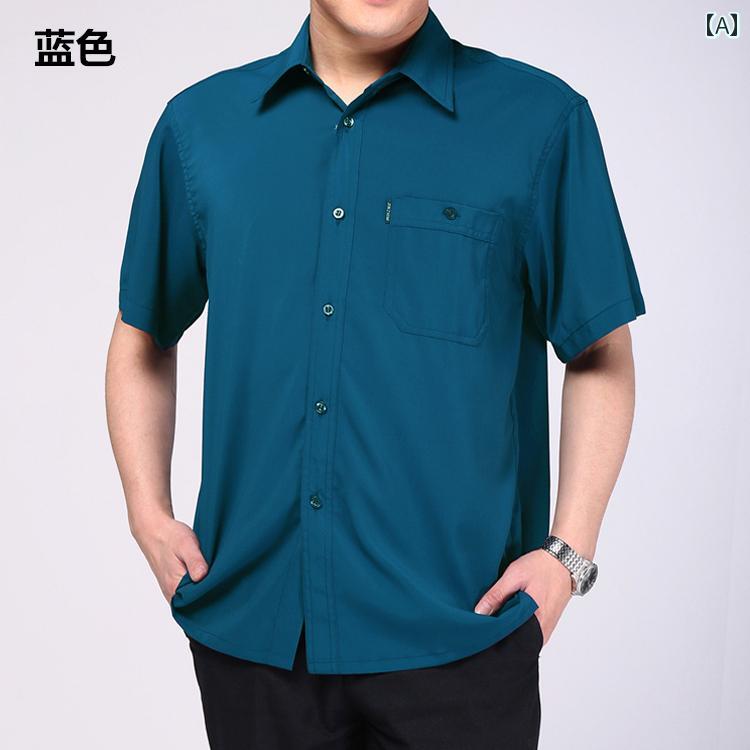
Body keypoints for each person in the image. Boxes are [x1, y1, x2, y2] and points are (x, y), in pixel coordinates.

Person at [105, 1, 646, 748]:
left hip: (463, 630)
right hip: (256, 638)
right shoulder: (201, 126)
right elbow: (142, 333)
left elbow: (600, 352)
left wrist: (568, 556)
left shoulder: (539, 121)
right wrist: (147, 514)